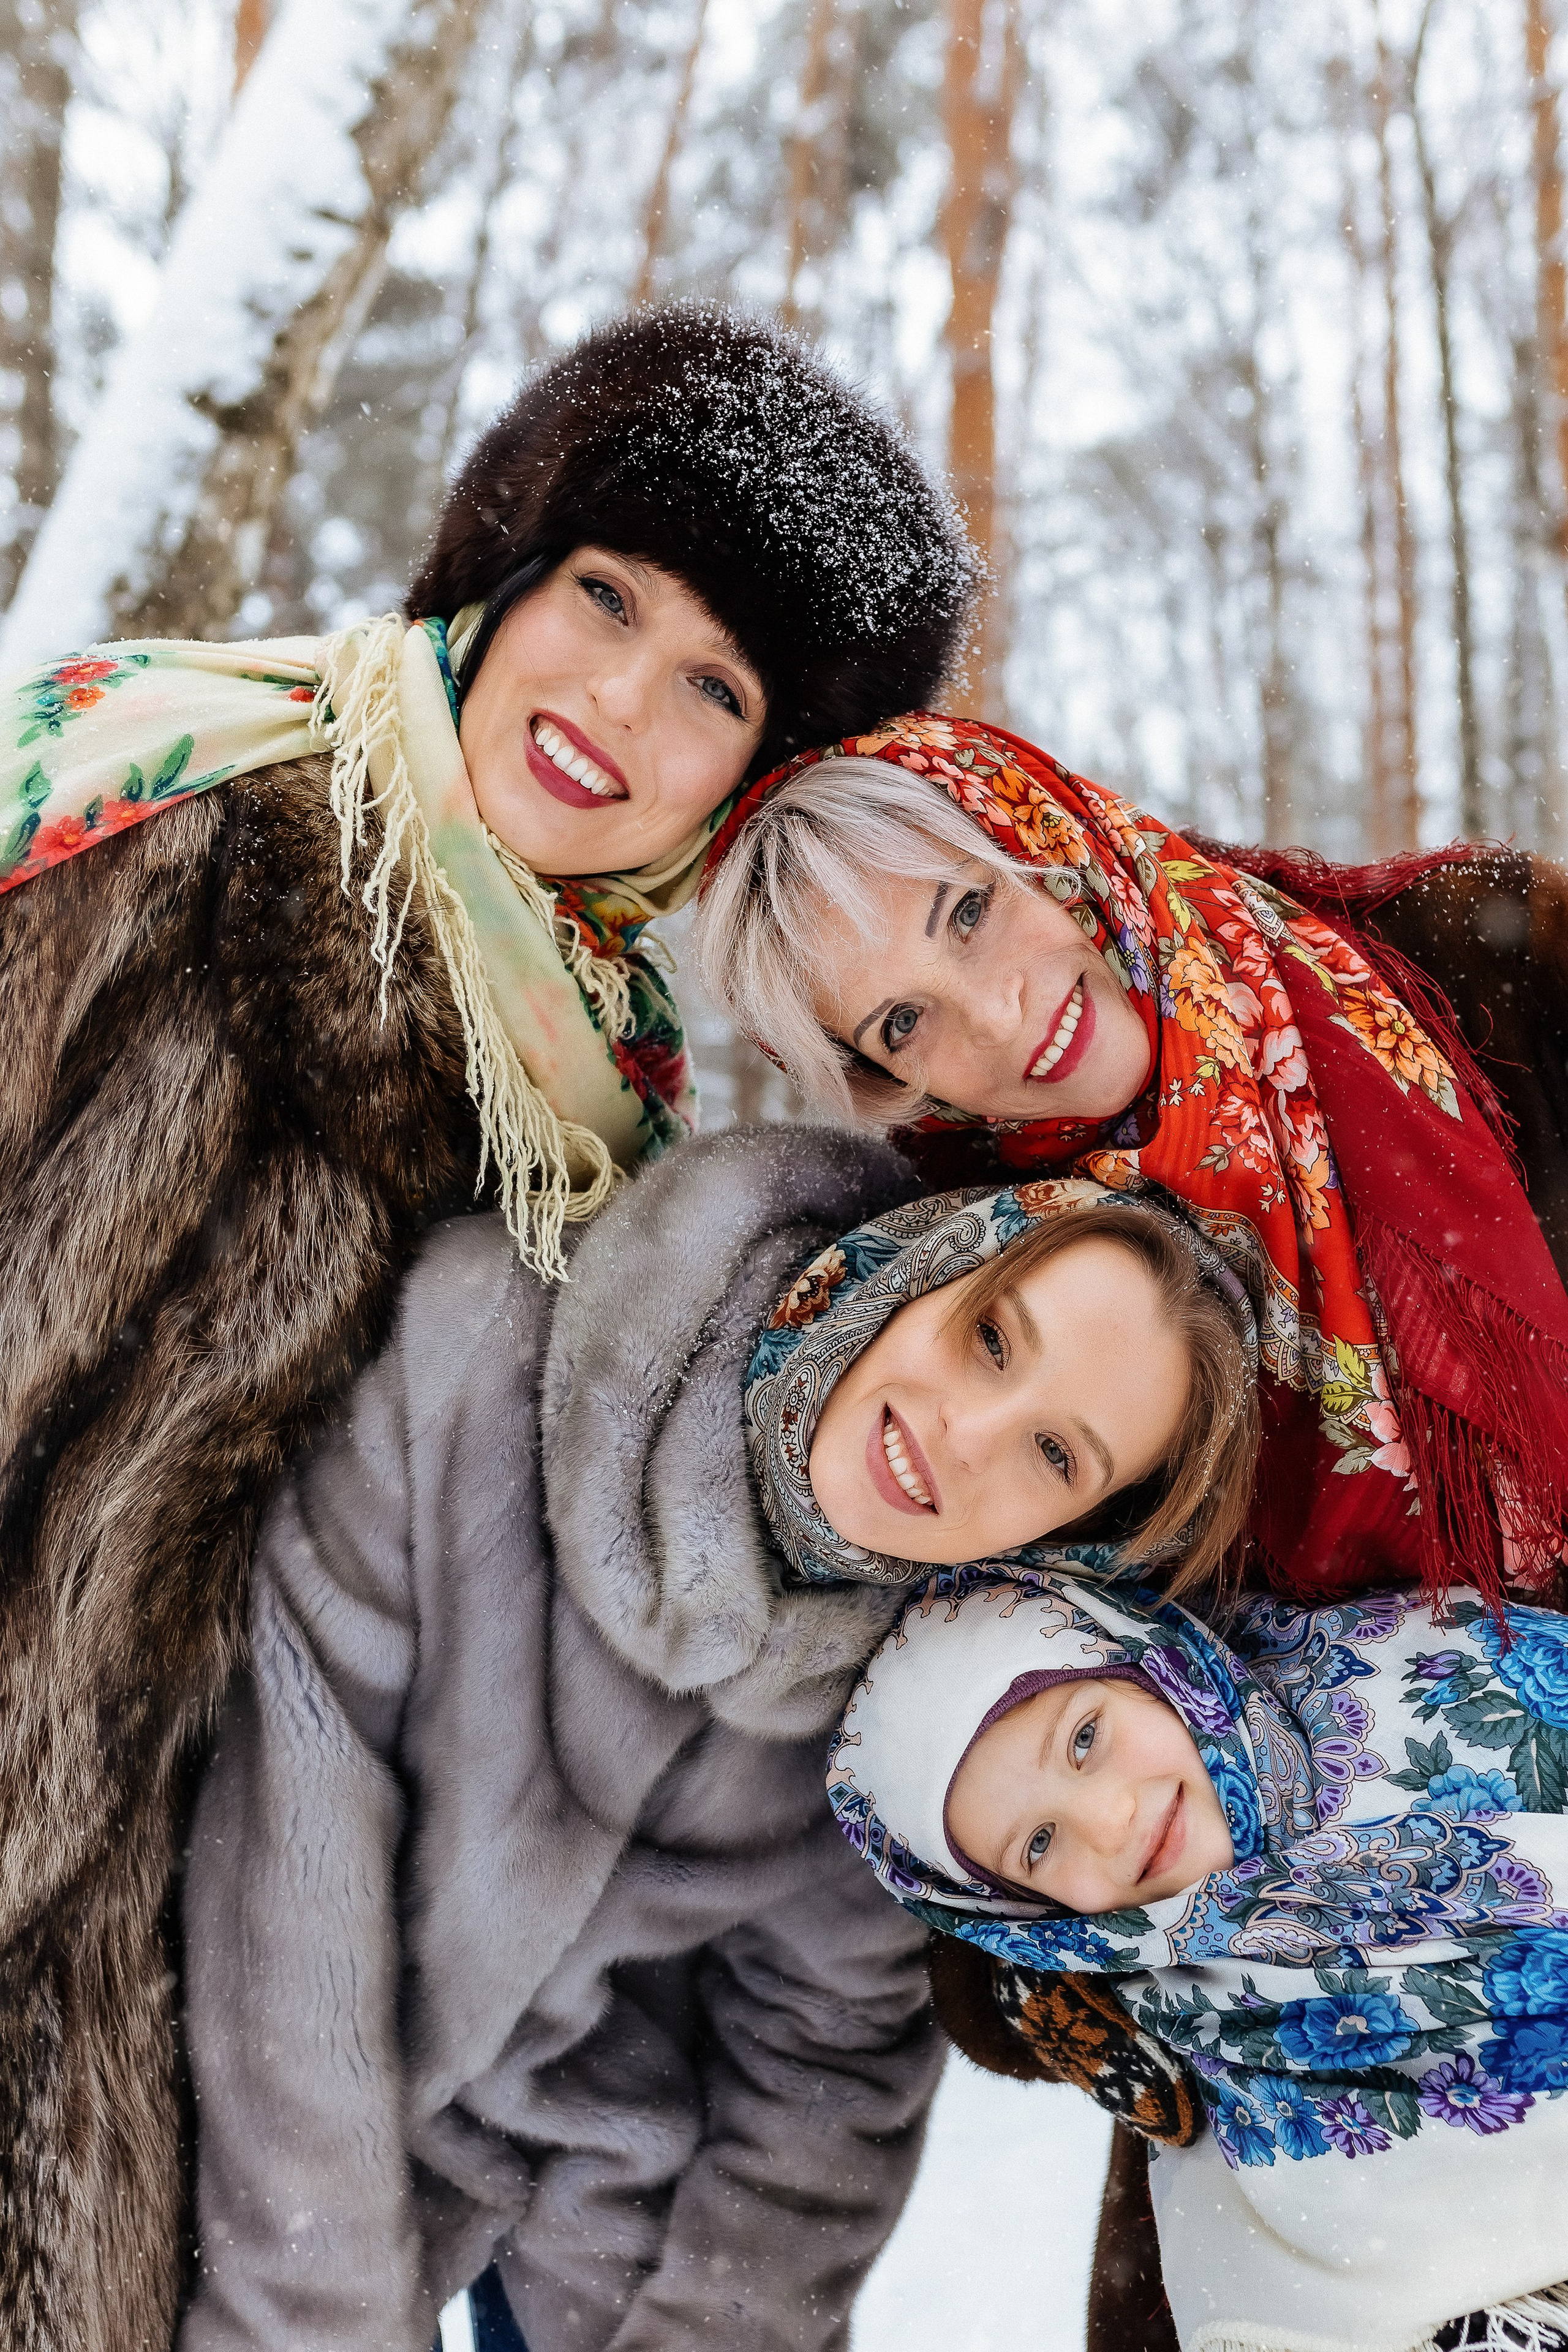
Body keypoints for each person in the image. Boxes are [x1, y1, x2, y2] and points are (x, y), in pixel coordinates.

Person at [0, 307, 976, 2349]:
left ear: (752, 783)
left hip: (226, 2075)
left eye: (710, 684)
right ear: (497, 573)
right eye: (602, 595)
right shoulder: (177, 822)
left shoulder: (586, 1104)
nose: (615, 698)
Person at [176, 1150, 1261, 2352]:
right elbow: (287, 1872)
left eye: (1054, 1458)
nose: (964, 1434)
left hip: (587, 2174)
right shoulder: (479, 1355)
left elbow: (822, 2070)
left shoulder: (915, 1719)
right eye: (991, 1340)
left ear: (1064, 1540)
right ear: (930, 1266)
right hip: (243, 2109)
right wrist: (315, 2314)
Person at [692, 716, 1568, 1615]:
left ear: (1045, 837)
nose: (997, 1017)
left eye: (969, 911)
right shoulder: (984, 1266)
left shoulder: (1491, 955)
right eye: (904, 1024)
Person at [829, 1562, 1568, 2352]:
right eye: (1040, 1844)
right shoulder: (1202, 2048)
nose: (1111, 1821)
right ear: (1023, 1918)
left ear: (1148, 1665)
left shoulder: (1432, 1663)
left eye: (1086, 1738)